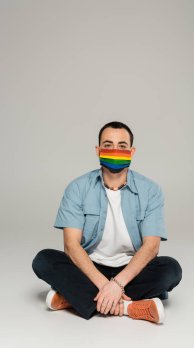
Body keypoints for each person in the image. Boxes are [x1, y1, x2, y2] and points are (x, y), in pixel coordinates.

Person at [32, 121, 182, 324]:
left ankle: (74, 298)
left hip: (131, 269)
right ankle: (130, 307)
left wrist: (118, 284)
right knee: (44, 260)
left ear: (132, 150)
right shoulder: (77, 188)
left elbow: (151, 246)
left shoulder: (151, 190)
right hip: (90, 267)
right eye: (108, 145)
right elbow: (71, 245)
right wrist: (106, 285)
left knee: (171, 270)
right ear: (98, 150)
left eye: (122, 146)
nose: (115, 151)